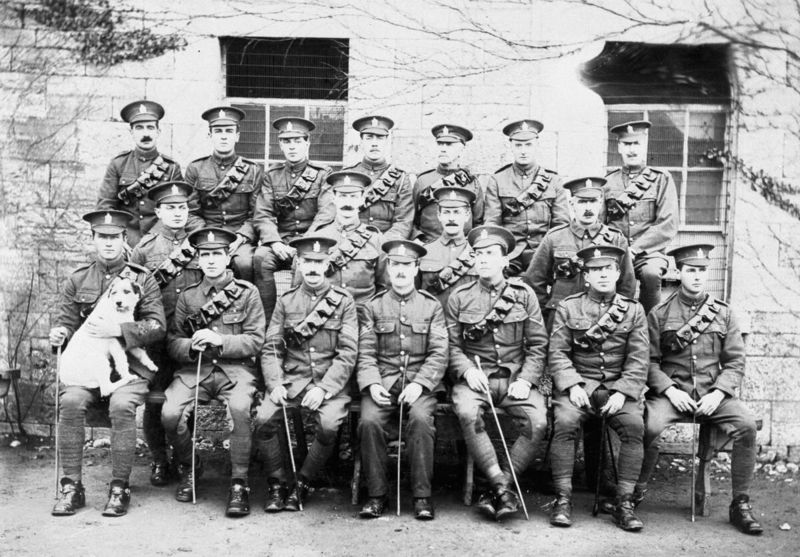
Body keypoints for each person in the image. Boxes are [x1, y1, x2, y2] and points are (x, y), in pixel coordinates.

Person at [634, 244, 763, 535]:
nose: (696, 277)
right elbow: (649, 363)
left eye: (702, 271)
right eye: (691, 270)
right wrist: (669, 391)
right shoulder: (660, 314)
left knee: (746, 426)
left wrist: (718, 393)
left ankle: (740, 504)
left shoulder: (724, 314)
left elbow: (734, 363)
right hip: (672, 393)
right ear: (679, 272)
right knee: (648, 425)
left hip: (712, 394)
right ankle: (636, 491)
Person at [50, 210, 166, 517]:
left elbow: (157, 327)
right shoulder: (79, 279)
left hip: (132, 368)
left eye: (115, 237)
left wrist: (119, 331)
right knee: (71, 401)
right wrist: (58, 334)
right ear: (93, 239)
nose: (109, 244)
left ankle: (119, 487)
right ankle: (71, 486)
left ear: (124, 239)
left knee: (121, 405)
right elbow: (65, 324)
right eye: (103, 237)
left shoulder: (142, 278)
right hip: (90, 366)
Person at [445, 225, 549, 521]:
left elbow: (539, 345)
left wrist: (527, 380)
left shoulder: (524, 294)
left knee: (538, 422)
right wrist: (465, 371)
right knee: (467, 414)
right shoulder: (459, 296)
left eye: (490, 254)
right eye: (478, 254)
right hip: (478, 379)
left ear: (505, 260)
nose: (483, 260)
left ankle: (499, 485)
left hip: (516, 379)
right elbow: (450, 347)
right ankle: (503, 488)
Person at [161, 227, 266, 517]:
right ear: (197, 258)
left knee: (241, 409)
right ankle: (191, 466)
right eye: (204, 255)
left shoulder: (248, 293)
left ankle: (239, 483)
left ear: (228, 256)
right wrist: (191, 347)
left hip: (236, 371)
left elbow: (257, 339)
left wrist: (221, 340)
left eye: (216, 254)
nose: (210, 261)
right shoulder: (188, 297)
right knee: (170, 414)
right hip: (197, 370)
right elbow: (172, 342)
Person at [547, 245, 648, 531]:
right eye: (595, 270)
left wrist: (623, 391)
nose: (602, 275)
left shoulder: (634, 310)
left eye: (608, 269)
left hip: (617, 388)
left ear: (618, 273)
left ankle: (624, 502)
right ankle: (563, 499)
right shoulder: (569, 307)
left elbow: (639, 358)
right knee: (565, 422)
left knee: (633, 427)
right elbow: (557, 354)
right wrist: (572, 385)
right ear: (586, 276)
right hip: (580, 385)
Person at [254, 235, 358, 512]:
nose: (312, 267)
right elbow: (272, 348)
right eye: (307, 261)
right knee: (263, 420)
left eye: (319, 262)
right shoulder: (286, 300)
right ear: (298, 263)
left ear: (327, 264)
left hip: (329, 381)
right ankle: (277, 484)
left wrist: (324, 388)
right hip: (293, 379)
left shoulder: (344, 301)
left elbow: (348, 352)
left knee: (328, 426)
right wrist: (274, 383)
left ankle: (303, 482)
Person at [356, 240, 448, 520]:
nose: (400, 271)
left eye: (406, 265)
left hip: (420, 386)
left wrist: (420, 384)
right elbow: (366, 352)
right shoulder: (372, 307)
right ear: (387, 268)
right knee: (369, 422)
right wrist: (372, 384)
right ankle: (376, 495)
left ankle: (422, 496)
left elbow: (439, 352)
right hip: (383, 383)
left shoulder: (431, 307)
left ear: (416, 268)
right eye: (395, 265)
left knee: (421, 421)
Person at [130, 181, 204, 487]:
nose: (177, 213)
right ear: (158, 211)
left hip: (189, 337)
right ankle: (159, 460)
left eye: (182, 207)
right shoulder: (145, 249)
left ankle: (185, 461)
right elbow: (132, 298)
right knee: (155, 402)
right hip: (157, 342)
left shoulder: (202, 245)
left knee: (190, 402)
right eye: (170, 208)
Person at [524, 176, 635, 329]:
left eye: (593, 201)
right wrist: (545, 317)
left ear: (601, 203)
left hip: (602, 323)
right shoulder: (554, 238)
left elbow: (626, 285)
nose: (588, 207)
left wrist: (614, 319)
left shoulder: (616, 239)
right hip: (562, 320)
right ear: (572, 204)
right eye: (582, 201)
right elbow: (534, 282)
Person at [252, 117, 331, 322]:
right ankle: (269, 322)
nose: (292, 147)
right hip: (282, 240)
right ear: (280, 145)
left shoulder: (323, 174)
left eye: (297, 141)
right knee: (261, 257)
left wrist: (304, 243)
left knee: (302, 263)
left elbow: (325, 214)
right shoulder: (272, 175)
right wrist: (274, 242)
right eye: (287, 142)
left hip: (311, 239)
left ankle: (298, 320)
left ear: (307, 143)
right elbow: (264, 213)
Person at [96, 100, 202, 246]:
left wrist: (155, 240)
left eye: (150, 128)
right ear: (131, 132)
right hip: (125, 237)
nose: (146, 133)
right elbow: (105, 206)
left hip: (160, 237)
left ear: (158, 132)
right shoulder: (118, 164)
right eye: (139, 128)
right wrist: (118, 238)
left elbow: (180, 207)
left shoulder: (171, 168)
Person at [603, 120, 679, 313]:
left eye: (636, 144)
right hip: (616, 250)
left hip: (648, 253)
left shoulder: (661, 179)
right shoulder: (607, 181)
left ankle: (648, 325)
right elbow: (600, 223)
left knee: (651, 274)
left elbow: (667, 224)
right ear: (619, 147)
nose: (632, 150)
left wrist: (635, 249)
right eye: (627, 144)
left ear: (645, 146)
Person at [184, 106, 264, 282]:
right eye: (218, 131)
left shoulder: (253, 170)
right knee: (190, 265)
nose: (223, 136)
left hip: (239, 236)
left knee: (244, 263)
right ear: (210, 135)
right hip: (206, 233)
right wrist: (205, 236)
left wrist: (242, 237)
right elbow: (190, 212)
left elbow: (256, 214)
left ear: (237, 136)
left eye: (229, 131)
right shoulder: (195, 168)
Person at [485, 119, 569, 275]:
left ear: (537, 145)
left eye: (528, 144)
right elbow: (492, 224)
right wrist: (499, 255)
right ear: (510, 146)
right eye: (518, 145)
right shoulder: (497, 180)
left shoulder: (553, 181)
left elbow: (561, 225)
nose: (523, 151)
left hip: (543, 252)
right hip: (509, 254)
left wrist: (553, 255)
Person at [312, 116, 413, 240]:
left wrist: (382, 245)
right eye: (369, 138)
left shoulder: (401, 179)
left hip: (384, 246)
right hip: (349, 246)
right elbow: (326, 215)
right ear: (361, 141)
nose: (374, 143)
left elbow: (403, 222)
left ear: (387, 141)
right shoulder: (346, 175)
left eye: (380, 138)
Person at [310, 171, 387, 307]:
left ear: (362, 199)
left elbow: (385, 287)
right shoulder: (317, 238)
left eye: (353, 196)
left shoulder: (376, 239)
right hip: (324, 317)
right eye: (343, 196)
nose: (348, 202)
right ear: (333, 198)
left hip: (363, 316)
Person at [411, 124, 488, 243]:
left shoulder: (473, 184)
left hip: (462, 252)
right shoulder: (423, 181)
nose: (443, 149)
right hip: (429, 247)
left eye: (449, 144)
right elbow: (411, 219)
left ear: (461, 149)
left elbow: (478, 222)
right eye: (440, 144)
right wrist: (417, 240)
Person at [418, 187, 479, 307]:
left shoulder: (477, 252)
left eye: (457, 212)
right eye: (446, 212)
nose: (451, 218)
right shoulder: (424, 252)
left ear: (467, 215)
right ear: (439, 215)